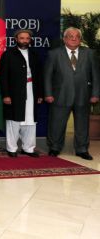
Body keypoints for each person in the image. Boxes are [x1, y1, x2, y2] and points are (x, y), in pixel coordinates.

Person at [44, 27, 100, 160]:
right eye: (70, 36)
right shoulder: (54, 54)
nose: (74, 38)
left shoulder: (89, 53)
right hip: (60, 95)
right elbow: (47, 76)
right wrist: (48, 93)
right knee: (56, 123)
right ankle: (54, 147)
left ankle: (82, 149)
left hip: (83, 95)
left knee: (82, 124)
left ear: (80, 39)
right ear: (64, 39)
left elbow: (96, 76)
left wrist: (95, 94)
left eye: (77, 36)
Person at [0, 29, 43, 158]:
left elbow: (39, 76)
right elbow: (3, 77)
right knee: (14, 121)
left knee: (30, 121)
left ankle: (28, 148)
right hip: (14, 92)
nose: (24, 41)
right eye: (22, 38)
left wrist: (40, 94)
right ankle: (12, 148)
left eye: (27, 38)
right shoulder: (8, 54)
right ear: (16, 39)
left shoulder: (34, 54)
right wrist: (6, 95)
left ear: (30, 40)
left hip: (32, 90)